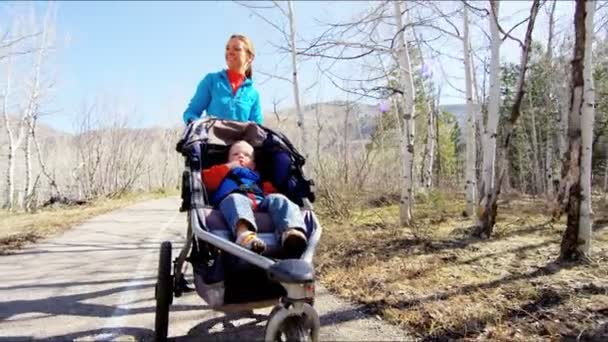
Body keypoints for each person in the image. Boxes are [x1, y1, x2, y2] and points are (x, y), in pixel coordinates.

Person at [202, 140, 307, 257]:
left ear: (253, 164)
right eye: (235, 154)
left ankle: (291, 232)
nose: (241, 156)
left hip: (260, 202)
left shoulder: (259, 178)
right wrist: (228, 166)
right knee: (235, 199)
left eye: (246, 155)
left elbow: (271, 194)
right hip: (232, 202)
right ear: (227, 160)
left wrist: (273, 196)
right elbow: (207, 180)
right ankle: (244, 234)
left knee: (279, 199)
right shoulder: (222, 172)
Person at [183, 34, 263, 125]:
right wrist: (198, 127)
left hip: (240, 139)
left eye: (236, 49)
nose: (230, 52)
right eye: (227, 48)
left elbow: (257, 128)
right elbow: (191, 113)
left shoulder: (253, 94)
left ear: (250, 57)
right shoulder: (211, 81)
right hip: (212, 138)